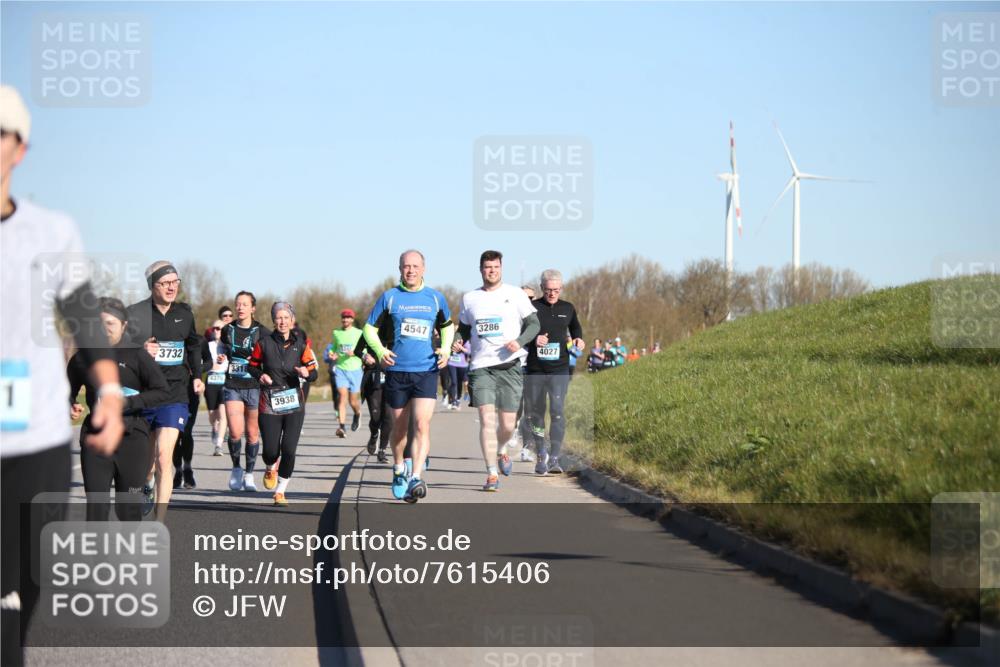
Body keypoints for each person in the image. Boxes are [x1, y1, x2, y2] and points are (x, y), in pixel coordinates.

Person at [1, 85, 124, 666]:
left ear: (19, 148)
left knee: (29, 579)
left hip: (39, 431)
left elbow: (82, 316)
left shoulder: (50, 231)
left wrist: (109, 394)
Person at [363, 250, 453, 503]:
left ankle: (416, 475)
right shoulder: (390, 298)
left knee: (422, 424)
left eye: (415, 266)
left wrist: (445, 349)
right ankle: (399, 468)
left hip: (425, 370)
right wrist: (380, 350)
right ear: (399, 269)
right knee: (399, 430)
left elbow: (448, 326)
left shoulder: (435, 298)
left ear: (424, 268)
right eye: (406, 266)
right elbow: (370, 328)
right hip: (397, 372)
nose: (411, 270)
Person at [68, 298, 170, 520]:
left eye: (110, 324)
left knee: (128, 510)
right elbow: (67, 389)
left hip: (133, 441)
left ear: (123, 326)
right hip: (96, 440)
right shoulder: (82, 358)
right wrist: (71, 404)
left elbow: (162, 391)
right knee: (96, 508)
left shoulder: (137, 355)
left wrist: (128, 403)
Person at [125, 260, 204, 520]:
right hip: (145, 394)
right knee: (146, 465)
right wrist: (140, 351)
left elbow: (193, 345)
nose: (172, 287)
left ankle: (159, 521)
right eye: (165, 282)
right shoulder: (135, 314)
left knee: (163, 456)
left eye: (175, 282)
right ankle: (146, 484)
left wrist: (197, 375)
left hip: (175, 394)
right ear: (152, 285)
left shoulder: (185, 313)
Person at [455, 250, 539, 492]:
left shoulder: (515, 294)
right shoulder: (469, 298)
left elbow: (534, 324)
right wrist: (458, 340)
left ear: (501, 268)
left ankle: (502, 449)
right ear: (480, 269)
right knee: (486, 421)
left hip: (510, 365)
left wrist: (520, 341)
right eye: (487, 267)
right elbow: (463, 327)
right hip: (481, 367)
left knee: (508, 425)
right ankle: (491, 473)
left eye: (495, 267)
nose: (491, 271)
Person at [248, 302, 317, 506]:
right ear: (273, 320)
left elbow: (313, 372)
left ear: (292, 320)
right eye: (279, 317)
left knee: (289, 449)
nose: (282, 321)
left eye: (286, 317)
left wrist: (307, 373)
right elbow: (252, 366)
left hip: (294, 402)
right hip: (269, 400)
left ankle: (281, 490)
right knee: (270, 450)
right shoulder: (264, 343)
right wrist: (260, 376)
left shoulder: (301, 344)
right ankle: (270, 466)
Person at [524, 269, 585, 475]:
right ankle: (541, 452)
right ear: (542, 288)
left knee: (558, 411)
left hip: (560, 368)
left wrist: (578, 339)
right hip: (536, 369)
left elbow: (576, 328)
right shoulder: (531, 307)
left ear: (561, 289)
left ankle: (555, 457)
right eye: (549, 290)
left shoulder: (568, 308)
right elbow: (519, 333)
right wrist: (534, 339)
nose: (552, 294)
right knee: (537, 413)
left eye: (556, 290)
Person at [218, 291, 267, 491]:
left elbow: (269, 355)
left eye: (244, 304)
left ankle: (249, 474)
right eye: (238, 304)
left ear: (252, 308)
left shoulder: (262, 332)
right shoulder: (227, 329)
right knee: (236, 431)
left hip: (254, 386)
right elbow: (222, 347)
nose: (240, 308)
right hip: (233, 384)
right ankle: (236, 468)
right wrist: (221, 357)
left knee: (252, 433)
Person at [172, 324, 214, 489]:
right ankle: (177, 470)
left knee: (186, 431)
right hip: (172, 391)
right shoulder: (169, 340)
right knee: (175, 434)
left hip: (191, 392)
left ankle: (187, 468)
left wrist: (197, 371)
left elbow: (209, 362)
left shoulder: (200, 341)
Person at [330, 308, 363, 437]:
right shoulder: (336, 333)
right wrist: (332, 354)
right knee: (342, 397)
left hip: (355, 370)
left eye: (348, 317)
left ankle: (357, 414)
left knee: (353, 401)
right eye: (344, 317)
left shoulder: (359, 333)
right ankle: (342, 427)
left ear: (352, 320)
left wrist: (355, 352)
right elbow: (334, 348)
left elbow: (365, 351)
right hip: (341, 369)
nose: (345, 320)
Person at [203, 320, 229, 456]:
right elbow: (203, 364)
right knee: (212, 414)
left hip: (224, 381)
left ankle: (219, 445)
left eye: (220, 328)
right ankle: (214, 427)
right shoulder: (208, 346)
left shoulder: (228, 347)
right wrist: (211, 366)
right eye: (215, 328)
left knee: (223, 413)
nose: (217, 331)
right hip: (211, 380)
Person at [447, 338, 470, 410]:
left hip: (462, 365)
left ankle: (458, 399)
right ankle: (453, 401)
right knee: (453, 382)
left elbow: (469, 351)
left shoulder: (465, 339)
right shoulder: (451, 338)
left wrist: (461, 348)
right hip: (451, 363)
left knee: (459, 382)